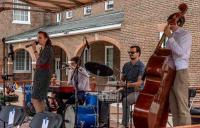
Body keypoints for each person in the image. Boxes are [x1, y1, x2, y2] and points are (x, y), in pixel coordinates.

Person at [164, 13, 192, 126]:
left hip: (181, 71)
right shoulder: (171, 37)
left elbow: (182, 54)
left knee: (182, 107)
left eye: (170, 21)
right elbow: (169, 58)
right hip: (171, 72)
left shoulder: (186, 34)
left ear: (177, 22)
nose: (168, 23)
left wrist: (170, 37)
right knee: (174, 107)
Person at [121, 45, 145, 127]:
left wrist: (129, 84)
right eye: (129, 52)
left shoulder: (141, 66)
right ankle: (104, 122)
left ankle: (124, 125)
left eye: (132, 52)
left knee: (125, 101)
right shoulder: (126, 65)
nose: (130, 54)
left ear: (138, 53)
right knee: (106, 97)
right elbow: (122, 79)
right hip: (125, 90)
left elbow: (139, 83)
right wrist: (120, 81)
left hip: (137, 92)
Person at [31, 31, 54, 113]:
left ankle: (40, 118)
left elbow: (40, 61)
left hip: (43, 76)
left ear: (46, 39)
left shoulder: (48, 49)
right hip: (40, 75)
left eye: (40, 37)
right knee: (39, 99)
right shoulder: (43, 49)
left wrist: (34, 49)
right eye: (38, 38)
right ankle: (43, 119)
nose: (38, 39)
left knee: (35, 99)